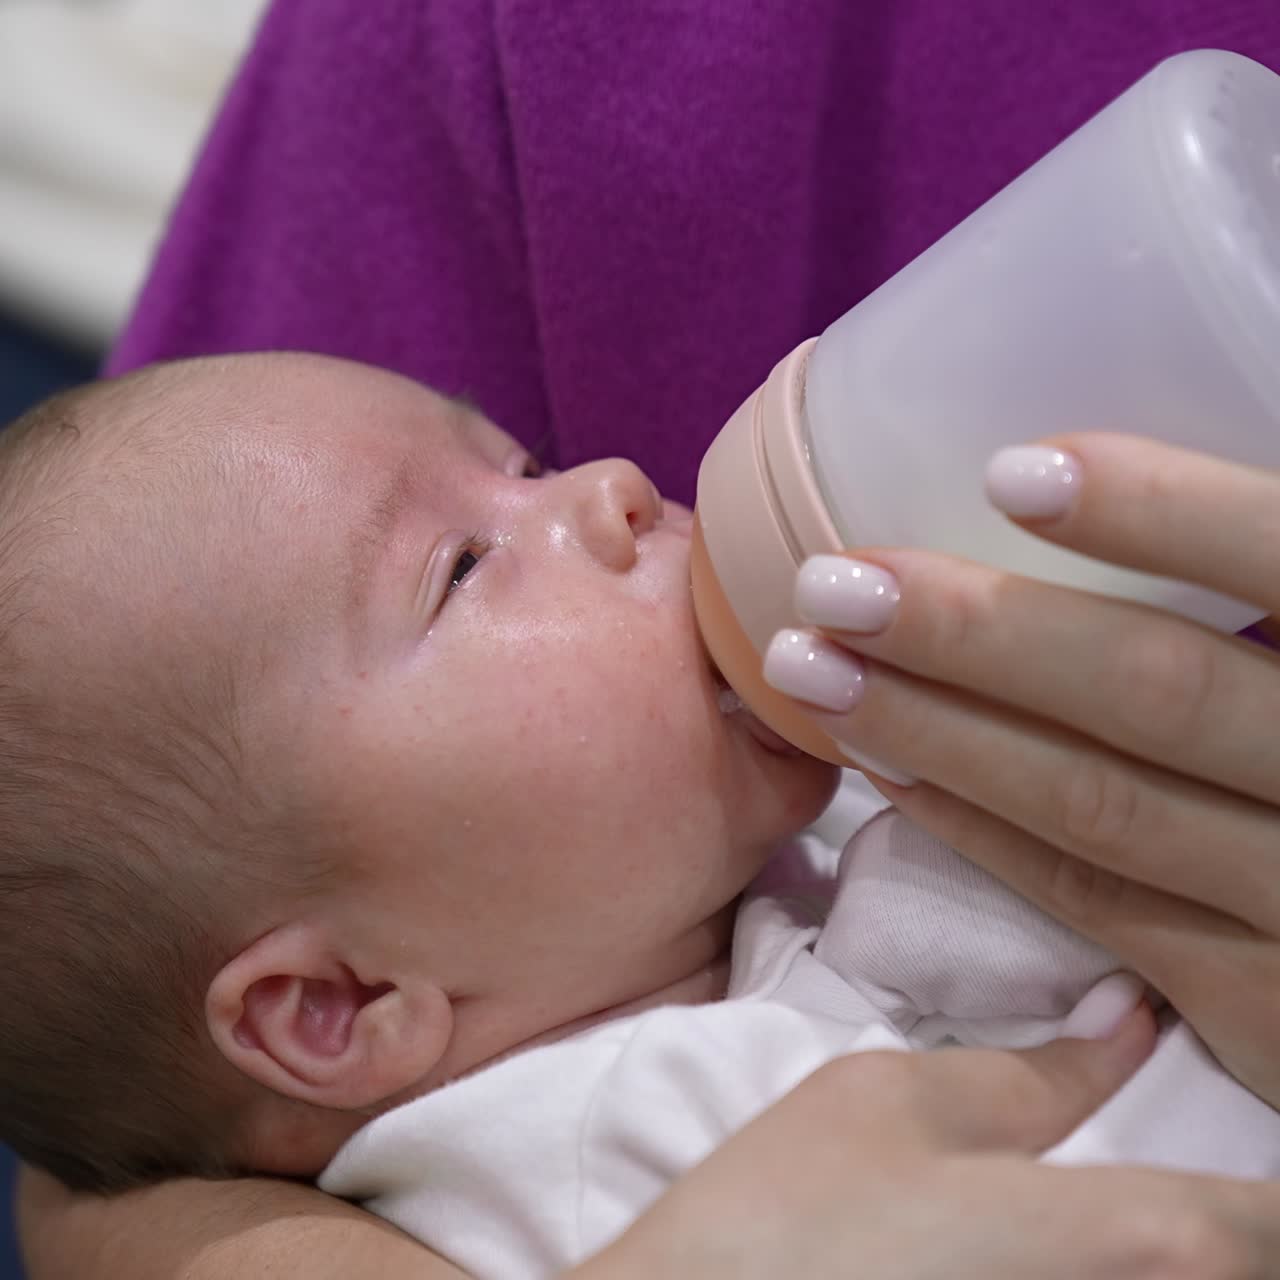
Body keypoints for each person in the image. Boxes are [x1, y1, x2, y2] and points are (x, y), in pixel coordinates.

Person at [19, 0, 1280, 1275]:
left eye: (525, 461)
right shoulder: (610, 1150)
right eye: (460, 569)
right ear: (340, 1007)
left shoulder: (748, 892)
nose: (610, 484)